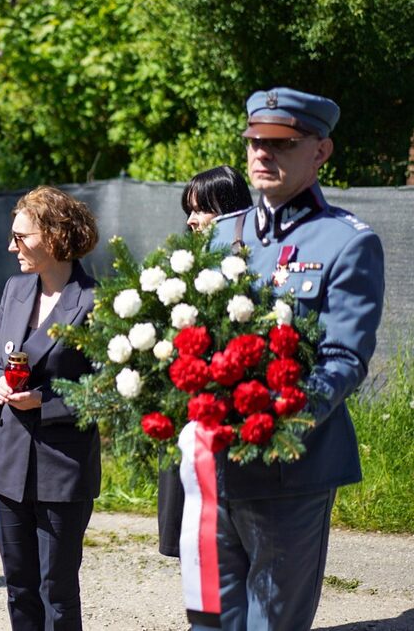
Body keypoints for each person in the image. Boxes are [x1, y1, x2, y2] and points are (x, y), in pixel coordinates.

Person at [201, 87, 385, 630]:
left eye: (281, 144)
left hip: (290, 470)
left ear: (320, 152)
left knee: (272, 623)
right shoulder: (220, 236)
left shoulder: (346, 243)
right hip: (215, 470)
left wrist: (275, 423)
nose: (262, 154)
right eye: (255, 141)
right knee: (209, 619)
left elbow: (343, 359)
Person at [0, 185, 102, 631]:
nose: (11, 246)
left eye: (21, 237)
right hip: (6, 462)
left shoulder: (93, 301)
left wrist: (44, 403)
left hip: (61, 469)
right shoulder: (14, 288)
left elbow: (106, 387)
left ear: (53, 237)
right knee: (19, 587)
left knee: (57, 591)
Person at [158, 165, 254, 558]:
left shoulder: (251, 267)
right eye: (190, 209)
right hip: (189, 411)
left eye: (202, 209)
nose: (192, 219)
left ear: (232, 210)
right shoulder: (183, 268)